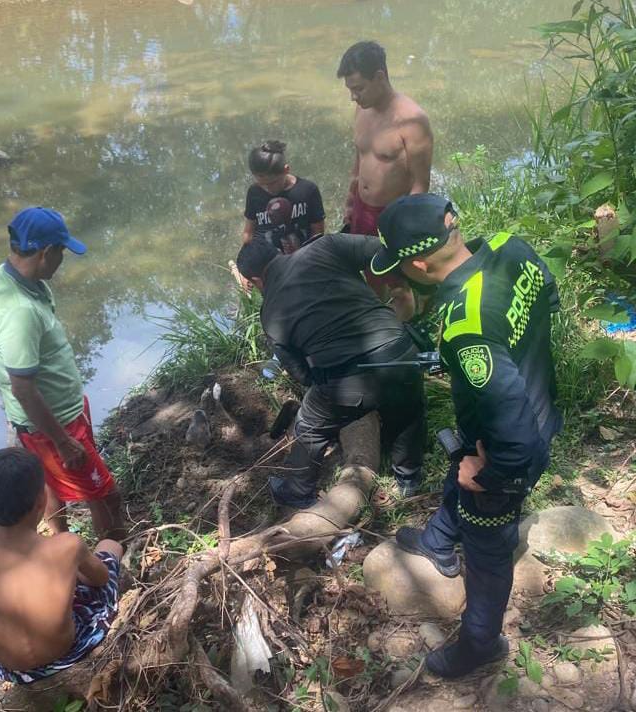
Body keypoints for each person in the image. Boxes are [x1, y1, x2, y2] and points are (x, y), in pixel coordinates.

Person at [370, 193, 563, 678]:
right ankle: (438, 541)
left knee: (487, 548)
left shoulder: (466, 327)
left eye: (399, 268)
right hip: (539, 408)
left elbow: (512, 430)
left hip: (511, 448)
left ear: (416, 262)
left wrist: (494, 471)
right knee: (461, 463)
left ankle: (480, 645)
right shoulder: (508, 246)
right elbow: (550, 295)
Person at [235, 235, 426, 508]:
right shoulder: (326, 246)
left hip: (349, 380)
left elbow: (302, 374)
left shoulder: (270, 314)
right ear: (276, 252)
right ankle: (409, 479)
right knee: (408, 410)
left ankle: (297, 490)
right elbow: (379, 250)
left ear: (255, 281)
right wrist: (401, 285)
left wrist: (329, 387)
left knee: (310, 424)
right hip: (401, 351)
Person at [0, 206, 122, 538]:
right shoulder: (20, 311)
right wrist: (62, 440)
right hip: (55, 426)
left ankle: (59, 545)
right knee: (106, 496)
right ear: (45, 253)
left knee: (49, 485)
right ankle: (113, 565)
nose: (63, 259)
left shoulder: (5, 277)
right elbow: (24, 389)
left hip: (55, 416)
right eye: (61, 251)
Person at [0, 448, 124, 683]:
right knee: (110, 545)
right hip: (69, 652)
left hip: (6, 669)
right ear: (42, 501)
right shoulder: (67, 546)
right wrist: (72, 574)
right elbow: (101, 579)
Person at [337, 41, 433, 310]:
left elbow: (420, 183)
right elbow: (360, 157)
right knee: (367, 273)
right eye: (350, 90)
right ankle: (374, 322)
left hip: (392, 215)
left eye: (358, 88)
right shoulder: (362, 110)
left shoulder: (412, 121)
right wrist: (349, 201)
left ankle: (403, 333)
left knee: (397, 282)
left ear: (380, 77)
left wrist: (406, 229)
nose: (353, 97)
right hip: (361, 208)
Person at [241, 140, 325, 246]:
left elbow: (318, 233)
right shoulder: (254, 192)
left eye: (272, 183)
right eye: (262, 184)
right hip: (268, 257)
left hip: (303, 255)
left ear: (286, 170)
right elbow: (249, 232)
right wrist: (247, 254)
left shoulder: (308, 190)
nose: (267, 188)